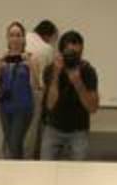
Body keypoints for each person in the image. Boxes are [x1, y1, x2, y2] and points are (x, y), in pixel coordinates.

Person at [40, 30, 99, 161]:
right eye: (69, 54)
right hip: (53, 127)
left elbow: (93, 108)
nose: (72, 58)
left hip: (78, 130)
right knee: (45, 169)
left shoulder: (88, 71)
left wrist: (78, 83)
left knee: (78, 172)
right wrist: (56, 74)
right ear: (61, 53)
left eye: (76, 54)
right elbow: (49, 104)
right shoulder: (51, 69)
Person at [0, 21, 38, 159]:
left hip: (23, 108)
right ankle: (15, 169)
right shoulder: (2, 59)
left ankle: (15, 170)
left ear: (24, 38)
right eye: (12, 35)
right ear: (7, 38)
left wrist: (30, 66)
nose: (15, 38)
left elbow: (37, 85)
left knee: (14, 142)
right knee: (10, 142)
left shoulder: (30, 58)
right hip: (5, 107)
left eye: (18, 35)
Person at [25, 19, 58, 93]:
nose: (51, 41)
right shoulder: (47, 48)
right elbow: (48, 74)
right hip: (34, 89)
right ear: (47, 35)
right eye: (52, 38)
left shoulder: (23, 37)